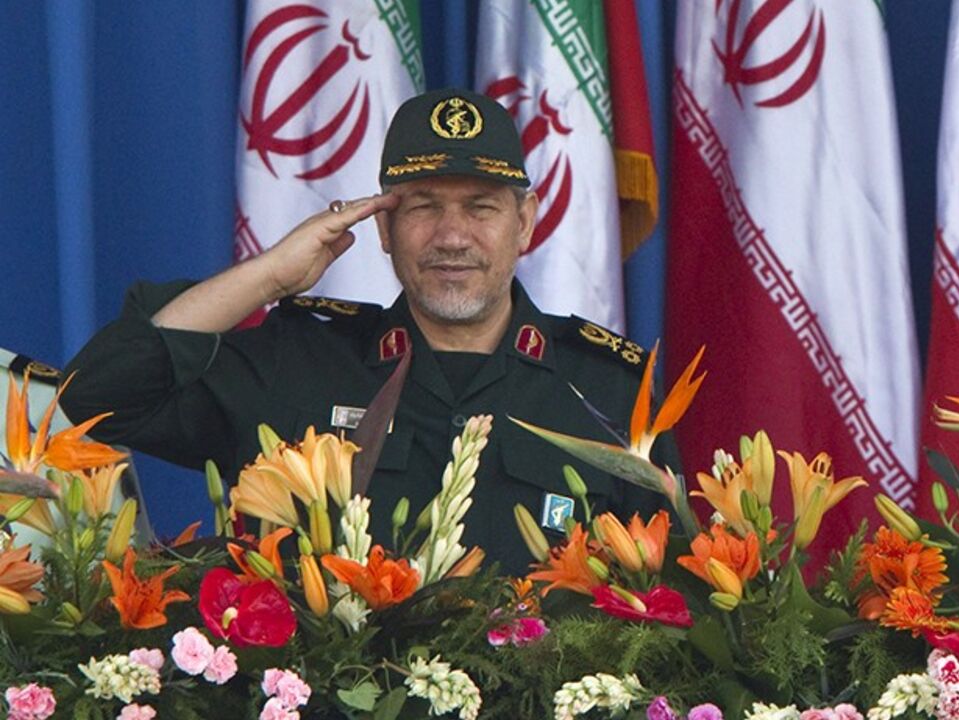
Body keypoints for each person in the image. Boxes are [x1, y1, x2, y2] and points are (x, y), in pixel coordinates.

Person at [60, 88, 678, 573]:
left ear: (526, 223)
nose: (452, 235)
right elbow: (95, 402)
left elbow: (672, 603)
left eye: (480, 207)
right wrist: (271, 277)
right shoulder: (300, 362)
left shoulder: (613, 392)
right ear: (383, 227)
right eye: (423, 205)